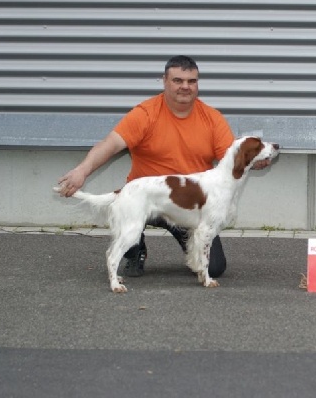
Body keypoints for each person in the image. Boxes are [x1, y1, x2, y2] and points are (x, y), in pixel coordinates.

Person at [57, 55, 265, 278]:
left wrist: (255, 160)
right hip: (146, 197)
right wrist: (82, 170)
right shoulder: (145, 113)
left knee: (215, 267)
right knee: (131, 226)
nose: (185, 87)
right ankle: (135, 251)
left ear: (197, 84)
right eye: (178, 80)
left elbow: (231, 162)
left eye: (191, 81)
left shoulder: (212, 118)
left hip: (187, 203)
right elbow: (110, 144)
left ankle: (197, 261)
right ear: (164, 81)